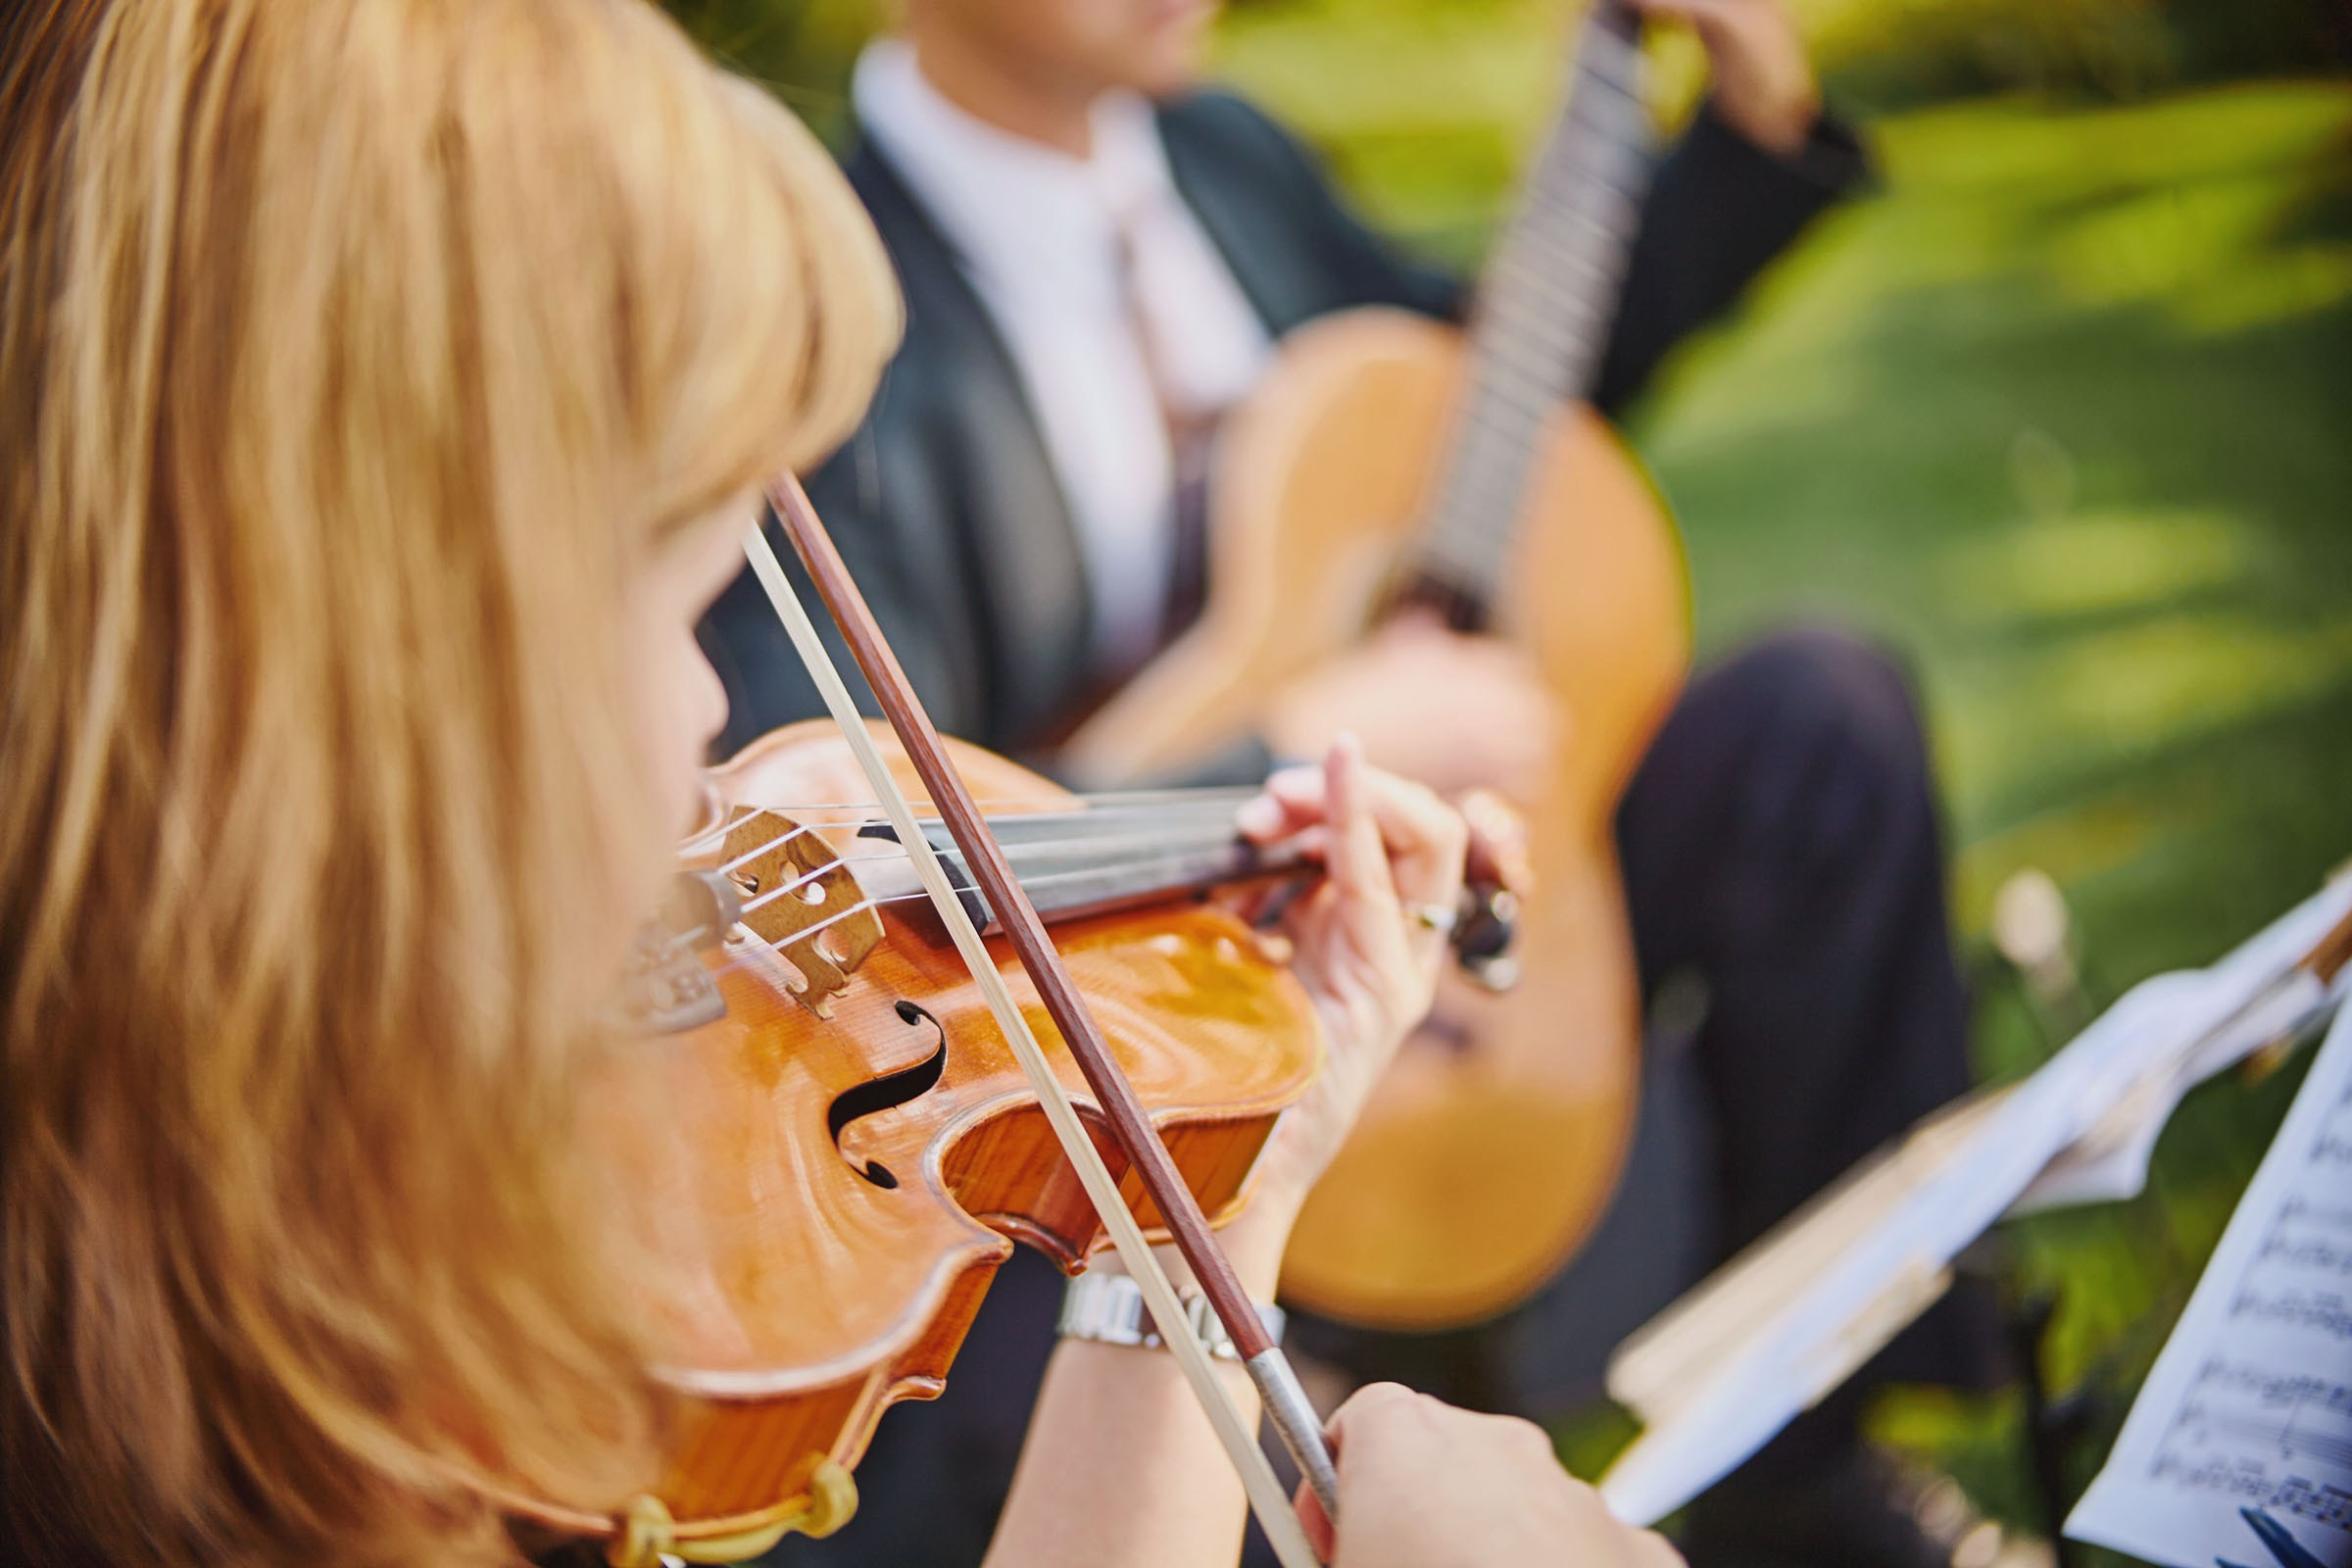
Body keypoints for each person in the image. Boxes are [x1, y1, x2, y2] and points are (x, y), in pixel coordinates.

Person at [0, 4, 1684, 1567]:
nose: (716, 716)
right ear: (375, 656)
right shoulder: (291, 1377)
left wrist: (1203, 1207)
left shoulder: (218, 1265)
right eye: (682, 598)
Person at [694, 1, 2006, 1565]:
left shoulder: (1223, 158)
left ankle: (1810, 1454)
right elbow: (845, 827)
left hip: (1396, 878)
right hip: (1110, 1038)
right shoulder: (822, 304)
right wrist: (1298, 740)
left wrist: (1744, 131)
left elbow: (1478, 419)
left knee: (1819, 725)